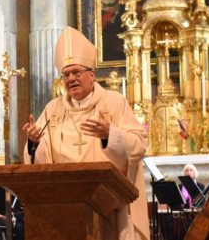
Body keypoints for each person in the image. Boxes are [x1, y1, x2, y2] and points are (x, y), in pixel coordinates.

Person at [22, 26, 149, 240]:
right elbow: (39, 159)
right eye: (66, 75)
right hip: (66, 203)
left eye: (76, 72)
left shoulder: (113, 102)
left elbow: (139, 144)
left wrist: (111, 135)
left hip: (108, 203)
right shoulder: (52, 109)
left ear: (92, 75)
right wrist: (33, 143)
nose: (71, 79)